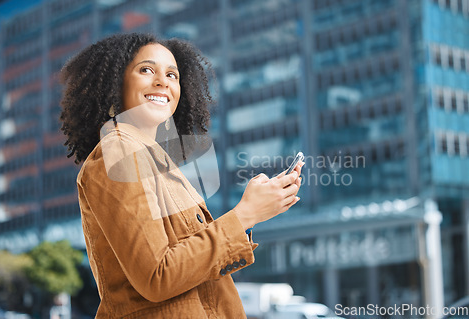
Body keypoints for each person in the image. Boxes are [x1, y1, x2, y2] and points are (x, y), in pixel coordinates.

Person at [59, 33, 303, 318]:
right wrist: (245, 215)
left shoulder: (156, 161)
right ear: (115, 85)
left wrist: (255, 212)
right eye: (146, 70)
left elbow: (193, 266)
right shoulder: (119, 151)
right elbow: (157, 277)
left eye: (172, 74)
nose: (163, 81)